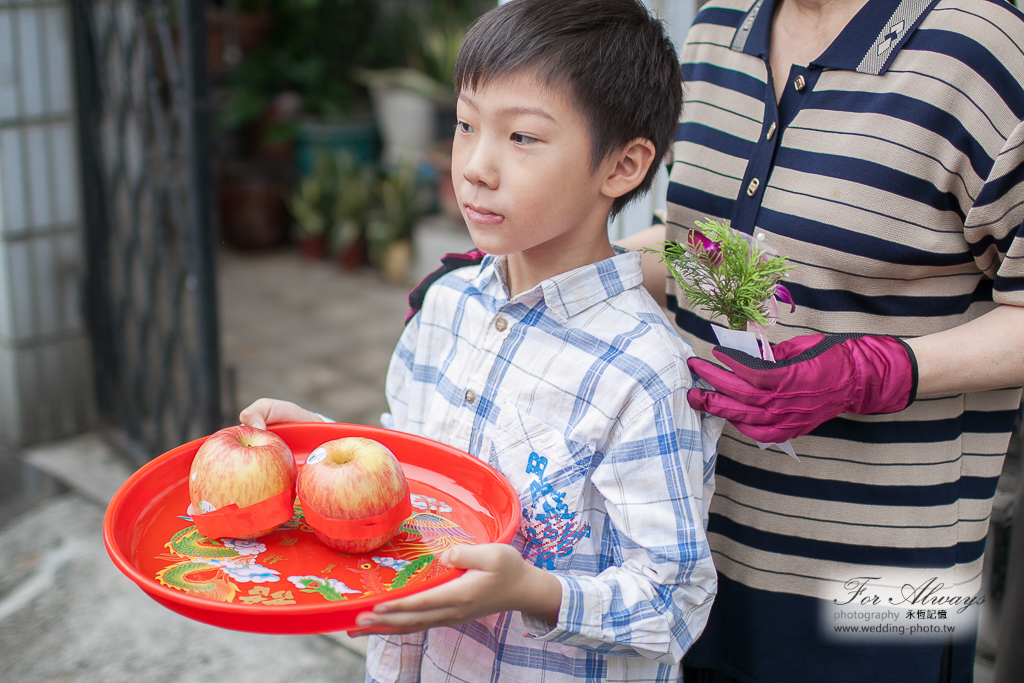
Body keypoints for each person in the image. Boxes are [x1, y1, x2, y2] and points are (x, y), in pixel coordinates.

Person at [241, 1, 722, 680]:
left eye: (522, 137)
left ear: (622, 166)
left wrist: (533, 590)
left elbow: (672, 603)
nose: (475, 166)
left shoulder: (645, 370)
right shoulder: (447, 305)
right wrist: (323, 449)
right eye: (466, 125)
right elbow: (414, 484)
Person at [620, 0, 1024, 681]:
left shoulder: (983, 48)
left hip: (886, 589)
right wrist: (546, 273)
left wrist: (878, 370)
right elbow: (709, 247)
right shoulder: (721, 27)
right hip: (694, 546)